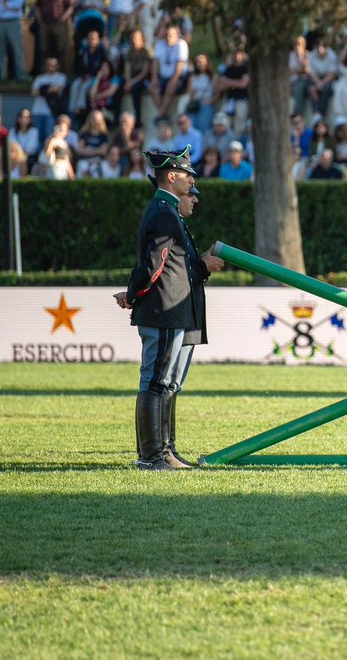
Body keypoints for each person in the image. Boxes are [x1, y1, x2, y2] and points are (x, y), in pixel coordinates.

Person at [117, 152, 224, 470]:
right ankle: (154, 456)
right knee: (156, 382)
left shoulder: (166, 212)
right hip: (165, 311)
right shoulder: (164, 213)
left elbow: (174, 267)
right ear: (171, 176)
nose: (193, 180)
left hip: (171, 311)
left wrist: (200, 266)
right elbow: (154, 267)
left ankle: (166, 452)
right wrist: (134, 296)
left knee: (165, 383)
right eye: (187, 174)